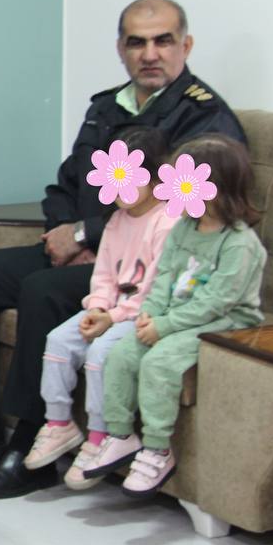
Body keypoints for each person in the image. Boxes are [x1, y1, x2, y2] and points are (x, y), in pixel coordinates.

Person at [0, 0, 247, 499]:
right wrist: (65, 233)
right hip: (91, 252)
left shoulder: (204, 118)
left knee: (42, 289)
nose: (150, 53)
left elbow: (186, 210)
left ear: (186, 46)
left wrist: (87, 235)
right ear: (121, 50)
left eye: (163, 41)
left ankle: (33, 442)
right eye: (137, 42)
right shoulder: (106, 107)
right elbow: (66, 184)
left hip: (149, 265)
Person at [83, 134, 266, 496]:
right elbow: (163, 276)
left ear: (215, 188)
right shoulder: (183, 228)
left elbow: (218, 300)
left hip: (226, 322)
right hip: (176, 315)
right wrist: (149, 314)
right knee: (121, 353)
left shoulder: (239, 243)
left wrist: (165, 326)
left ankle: (157, 449)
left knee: (159, 363)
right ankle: (120, 435)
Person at [22, 127, 177, 489]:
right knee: (58, 340)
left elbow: (155, 289)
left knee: (100, 353)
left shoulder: (167, 222)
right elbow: (104, 274)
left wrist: (113, 317)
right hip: (111, 309)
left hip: (142, 314)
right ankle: (59, 424)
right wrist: (97, 307)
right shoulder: (118, 220)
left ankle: (99, 436)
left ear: (155, 176)